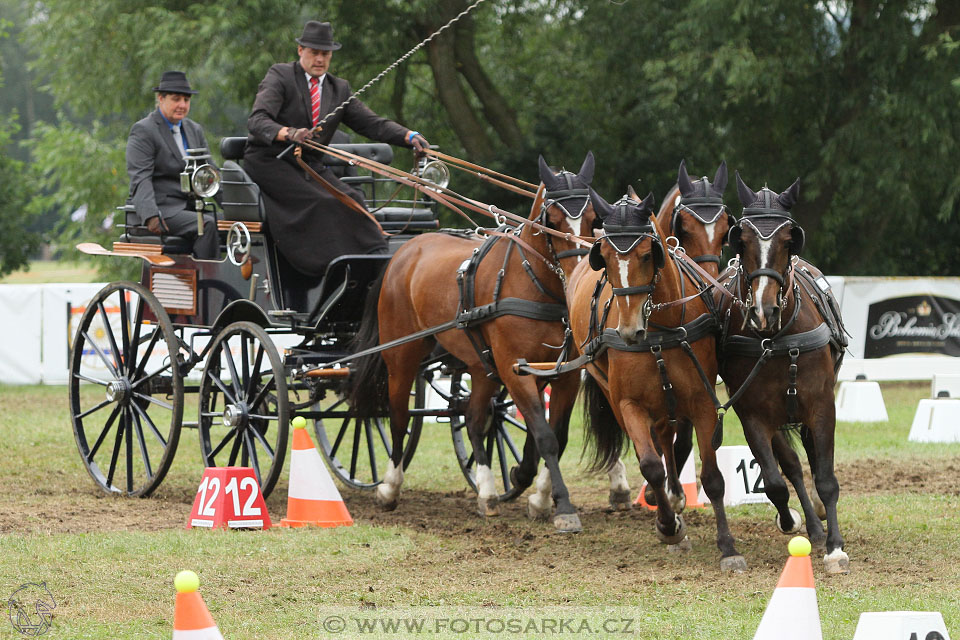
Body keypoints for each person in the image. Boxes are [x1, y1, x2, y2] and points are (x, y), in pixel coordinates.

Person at [244, 20, 429, 276]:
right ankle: (331, 269)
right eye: (314, 52)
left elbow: (371, 123)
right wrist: (289, 133)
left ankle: (378, 265)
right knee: (323, 203)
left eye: (325, 54)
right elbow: (257, 120)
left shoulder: (338, 88)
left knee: (353, 201)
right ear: (301, 51)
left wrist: (409, 136)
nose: (319, 59)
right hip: (271, 161)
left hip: (308, 164)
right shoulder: (281, 76)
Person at [125, 70, 219, 259]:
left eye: (186, 100)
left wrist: (239, 207)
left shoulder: (194, 130)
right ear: (161, 98)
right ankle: (204, 285)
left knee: (231, 225)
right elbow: (140, 178)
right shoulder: (144, 131)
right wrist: (151, 215)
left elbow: (210, 174)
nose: (182, 105)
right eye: (176, 99)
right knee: (207, 225)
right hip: (163, 209)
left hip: (191, 208)